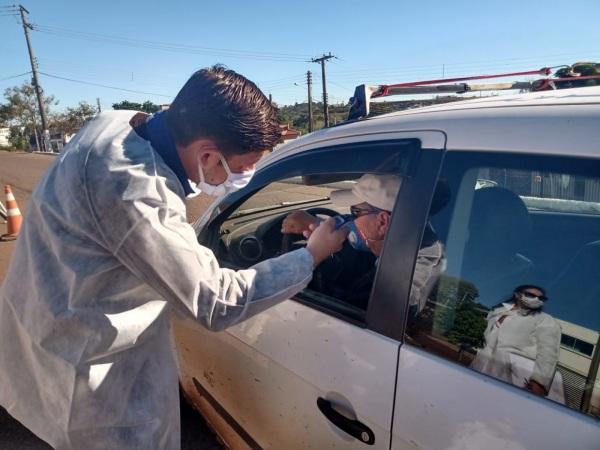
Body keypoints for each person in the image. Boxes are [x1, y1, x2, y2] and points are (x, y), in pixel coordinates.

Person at [0, 66, 347, 449]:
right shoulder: (136, 193)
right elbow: (215, 302)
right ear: (208, 154)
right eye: (245, 168)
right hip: (93, 380)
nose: (244, 178)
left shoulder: (116, 123)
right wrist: (310, 257)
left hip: (47, 323)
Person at [282, 174, 444, 311]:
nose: (348, 219)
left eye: (354, 212)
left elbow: (352, 313)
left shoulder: (405, 276)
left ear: (382, 222)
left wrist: (313, 255)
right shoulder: (402, 242)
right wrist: (317, 224)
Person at [470, 285, 564, 401]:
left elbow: (548, 353)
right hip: (487, 366)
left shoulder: (545, 320)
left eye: (541, 298)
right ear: (517, 294)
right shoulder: (497, 313)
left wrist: (539, 382)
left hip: (521, 375)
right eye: (531, 295)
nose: (536, 299)